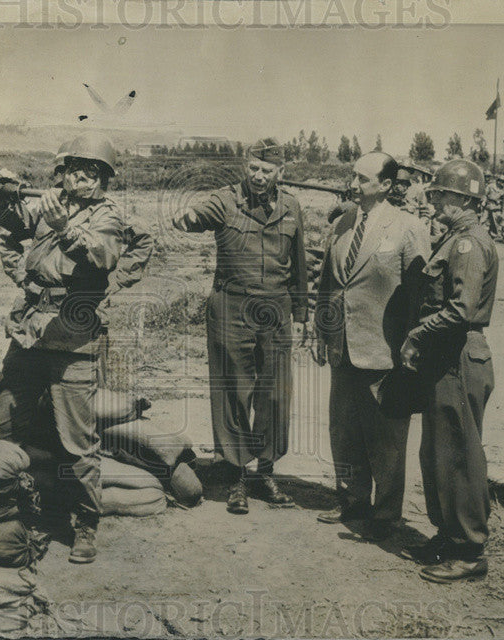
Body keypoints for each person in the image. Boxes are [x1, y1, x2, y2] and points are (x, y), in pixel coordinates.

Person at [0, 132, 126, 564]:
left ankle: (85, 522)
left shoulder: (108, 215)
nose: (80, 178)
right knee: (5, 426)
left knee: (76, 440)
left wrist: (68, 229)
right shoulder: (47, 205)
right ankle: (11, 512)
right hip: (29, 331)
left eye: (91, 172)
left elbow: (101, 257)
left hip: (73, 336)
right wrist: (5, 200)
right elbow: (10, 231)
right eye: (73, 170)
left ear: (103, 179)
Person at [171, 138, 308, 514]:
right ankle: (235, 477)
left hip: (276, 310)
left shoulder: (292, 207)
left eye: (267, 170)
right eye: (253, 168)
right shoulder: (225, 200)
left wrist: (302, 314)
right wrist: (188, 218)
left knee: (275, 393)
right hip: (231, 306)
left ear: (280, 172)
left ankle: (266, 471)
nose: (259, 176)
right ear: (244, 167)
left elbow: (298, 266)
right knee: (233, 392)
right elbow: (195, 216)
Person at [314, 152, 430, 541]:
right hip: (342, 345)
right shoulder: (342, 224)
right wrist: (321, 332)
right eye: (352, 176)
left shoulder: (408, 227)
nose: (353, 184)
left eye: (362, 179)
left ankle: (386, 513)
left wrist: (413, 344)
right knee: (344, 429)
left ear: (385, 185)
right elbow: (328, 287)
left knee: (387, 437)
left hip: (385, 348)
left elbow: (420, 293)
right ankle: (352, 500)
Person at [399, 158, 498, 583]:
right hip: (445, 357)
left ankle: (470, 549)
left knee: (458, 454)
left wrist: (416, 335)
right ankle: (448, 534)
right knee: (437, 453)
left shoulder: (467, 245)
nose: (434, 202)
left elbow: (461, 309)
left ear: (461, 199)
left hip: (457, 355)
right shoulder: (453, 238)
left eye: (441, 196)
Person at [484, 172, 504, 243]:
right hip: (488, 206)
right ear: (498, 180)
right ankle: (491, 236)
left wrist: (503, 212)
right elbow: (485, 194)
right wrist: (484, 201)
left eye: (503, 182)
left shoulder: (503, 190)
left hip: (497, 208)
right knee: (484, 221)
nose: (501, 183)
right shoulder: (490, 186)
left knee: (500, 222)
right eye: (500, 181)